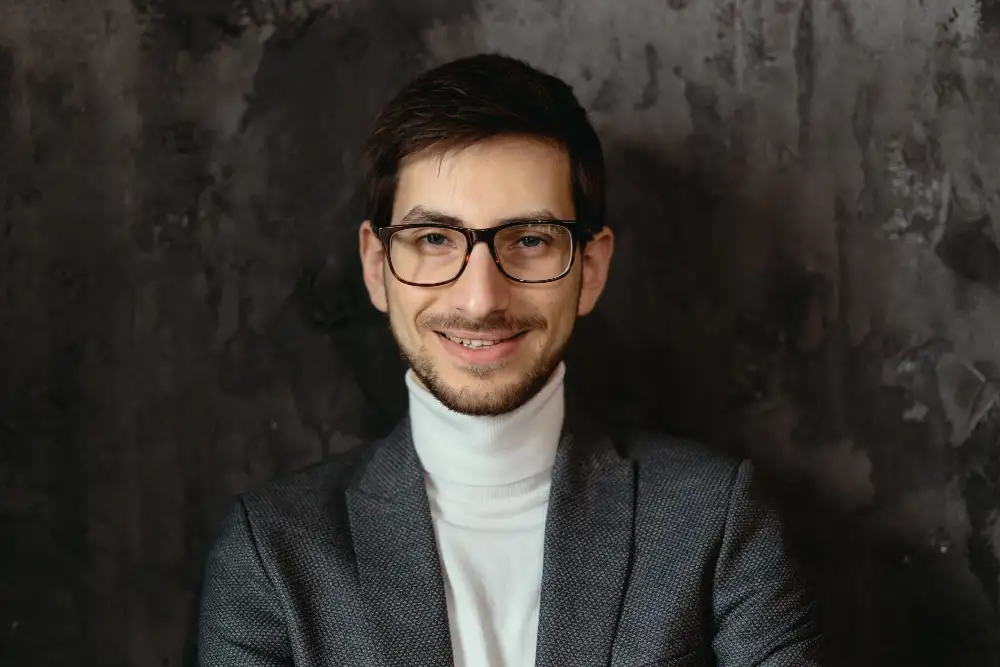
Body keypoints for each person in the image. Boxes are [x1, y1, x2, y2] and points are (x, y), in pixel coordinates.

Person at [197, 53, 824, 667]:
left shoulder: (717, 518)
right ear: (375, 265)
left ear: (591, 268)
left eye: (528, 240)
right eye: (434, 238)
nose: (480, 300)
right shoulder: (270, 550)